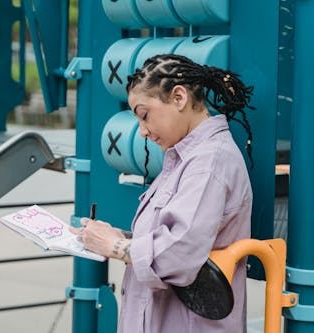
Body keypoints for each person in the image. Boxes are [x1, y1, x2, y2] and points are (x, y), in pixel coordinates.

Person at [70, 54, 254, 333]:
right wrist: (118, 237)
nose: (142, 131)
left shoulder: (208, 162)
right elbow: (174, 237)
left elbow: (179, 253)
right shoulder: (188, 159)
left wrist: (115, 247)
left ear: (179, 98)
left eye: (145, 116)